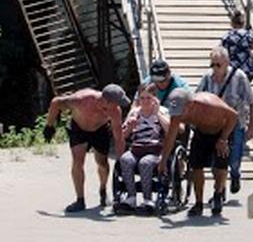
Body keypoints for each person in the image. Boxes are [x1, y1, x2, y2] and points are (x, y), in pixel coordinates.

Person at [44, 84, 128, 212]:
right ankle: (80, 200)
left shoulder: (115, 111)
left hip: (100, 130)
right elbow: (56, 102)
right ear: (106, 101)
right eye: (116, 103)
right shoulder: (81, 99)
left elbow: (118, 136)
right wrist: (50, 125)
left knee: (102, 163)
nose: (118, 106)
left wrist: (121, 158)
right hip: (78, 128)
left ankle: (103, 190)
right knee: (78, 161)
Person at [158, 88, 238, 217]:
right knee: (196, 166)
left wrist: (223, 139)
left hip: (221, 131)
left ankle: (218, 194)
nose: (179, 115)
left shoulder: (210, 105)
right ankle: (198, 202)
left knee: (220, 166)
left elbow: (234, 115)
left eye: (181, 111)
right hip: (201, 133)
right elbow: (171, 136)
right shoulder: (177, 114)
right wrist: (163, 160)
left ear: (191, 104)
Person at [198, 46, 253, 195]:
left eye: (218, 64)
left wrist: (251, 127)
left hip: (236, 123)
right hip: (215, 124)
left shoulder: (239, 77)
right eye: (213, 64)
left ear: (227, 62)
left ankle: (235, 175)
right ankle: (220, 189)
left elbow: (252, 101)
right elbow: (197, 97)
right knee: (216, 159)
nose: (215, 68)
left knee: (234, 159)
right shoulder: (207, 78)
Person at [117, 83, 170, 213]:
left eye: (148, 98)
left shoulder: (162, 111)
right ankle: (131, 197)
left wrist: (157, 114)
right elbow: (123, 135)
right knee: (125, 159)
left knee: (145, 163)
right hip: (137, 148)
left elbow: (170, 131)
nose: (145, 101)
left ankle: (147, 199)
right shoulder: (135, 113)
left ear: (155, 98)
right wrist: (130, 126)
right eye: (142, 98)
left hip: (155, 150)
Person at [220, 9, 253, 81]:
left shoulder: (226, 37)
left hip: (231, 71)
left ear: (231, 23)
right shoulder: (248, 36)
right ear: (243, 23)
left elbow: (220, 54)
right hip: (245, 71)